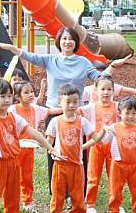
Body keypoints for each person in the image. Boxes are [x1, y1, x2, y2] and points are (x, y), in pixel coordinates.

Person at [0, 26, 131, 191]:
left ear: (76, 42)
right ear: (59, 41)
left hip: (76, 114)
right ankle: (57, 189)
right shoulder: (50, 60)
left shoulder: (83, 62)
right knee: (54, 152)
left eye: (71, 39)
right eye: (64, 38)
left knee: (78, 152)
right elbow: (28, 56)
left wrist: (113, 66)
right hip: (54, 113)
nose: (67, 42)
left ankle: (78, 189)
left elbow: (99, 79)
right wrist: (10, 48)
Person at [0, 78, 58, 213]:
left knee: (13, 198)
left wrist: (50, 148)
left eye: (9, 96)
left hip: (13, 163)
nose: (6, 100)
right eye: (2, 96)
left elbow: (34, 133)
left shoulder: (14, 117)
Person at [45, 84, 107, 213]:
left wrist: (105, 130)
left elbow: (95, 138)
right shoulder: (55, 122)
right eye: (68, 102)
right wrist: (53, 152)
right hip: (59, 165)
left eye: (75, 102)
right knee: (57, 196)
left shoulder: (82, 121)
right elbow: (48, 143)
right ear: (60, 102)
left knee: (78, 197)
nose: (72, 105)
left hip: (77, 166)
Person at [10, 80, 60, 211]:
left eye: (32, 91)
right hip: (14, 149)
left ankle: (27, 201)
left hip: (29, 148)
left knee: (27, 175)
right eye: (26, 92)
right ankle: (12, 199)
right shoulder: (12, 109)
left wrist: (67, 108)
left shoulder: (35, 109)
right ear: (17, 96)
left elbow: (50, 111)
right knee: (13, 175)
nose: (31, 94)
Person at [78, 76, 121, 213]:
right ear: (95, 90)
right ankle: (90, 204)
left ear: (113, 91)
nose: (106, 92)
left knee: (114, 177)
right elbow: (76, 112)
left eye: (109, 89)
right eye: (102, 89)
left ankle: (115, 205)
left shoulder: (118, 106)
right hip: (95, 147)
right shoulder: (91, 107)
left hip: (113, 148)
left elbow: (131, 114)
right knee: (93, 176)